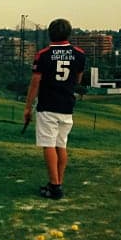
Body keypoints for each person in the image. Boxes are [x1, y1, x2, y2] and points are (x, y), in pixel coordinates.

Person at [23, 18, 86, 200]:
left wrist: (28, 107)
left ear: (50, 33)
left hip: (48, 105)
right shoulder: (79, 54)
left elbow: (35, 82)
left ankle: (55, 186)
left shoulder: (43, 54)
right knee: (61, 145)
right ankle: (56, 182)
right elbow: (78, 79)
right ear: (69, 33)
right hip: (67, 106)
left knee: (48, 145)